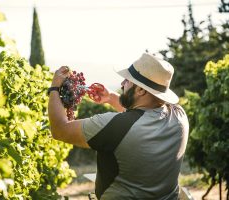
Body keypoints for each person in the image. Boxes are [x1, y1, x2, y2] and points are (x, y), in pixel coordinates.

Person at [47, 53, 189, 200]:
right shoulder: (179, 116)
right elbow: (142, 114)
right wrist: (110, 98)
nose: (122, 84)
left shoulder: (114, 126)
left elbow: (60, 129)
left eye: (127, 81)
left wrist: (55, 88)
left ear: (141, 90)